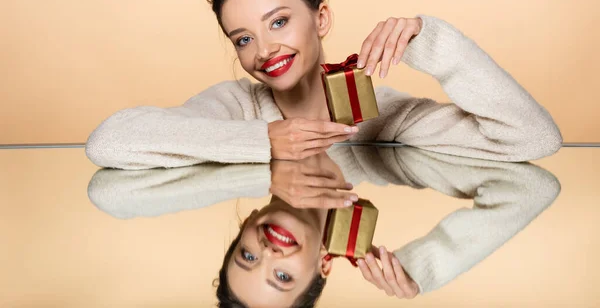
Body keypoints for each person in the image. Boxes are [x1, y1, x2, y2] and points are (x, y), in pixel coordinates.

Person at [85, 0, 563, 171]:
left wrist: (434, 42)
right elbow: (109, 141)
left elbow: (531, 139)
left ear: (321, 18)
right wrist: (265, 141)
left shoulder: (380, 115)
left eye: (279, 21)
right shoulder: (234, 106)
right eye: (243, 38)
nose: (265, 49)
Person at [87, 145, 561, 306]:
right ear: (325, 266)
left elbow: (105, 190)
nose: (268, 254)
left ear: (247, 221)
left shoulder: (244, 117)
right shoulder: (383, 160)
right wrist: (427, 266)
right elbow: (535, 186)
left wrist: (267, 166)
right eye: (282, 277)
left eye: (246, 256)